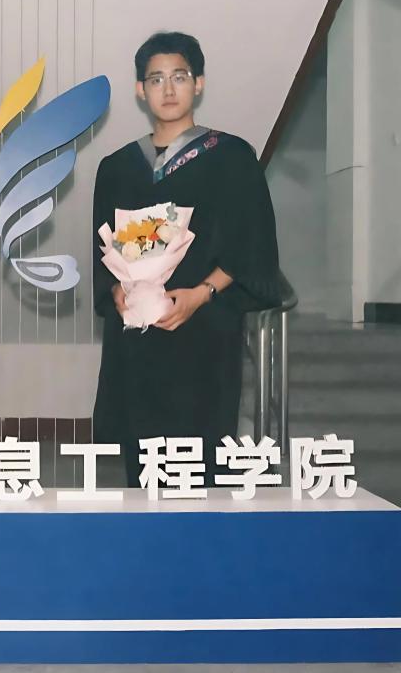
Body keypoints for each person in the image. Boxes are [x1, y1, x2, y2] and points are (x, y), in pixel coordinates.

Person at [91, 31, 281, 487]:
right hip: (139, 339)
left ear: (199, 83)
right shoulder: (117, 167)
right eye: (156, 79)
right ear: (140, 90)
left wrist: (202, 293)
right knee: (145, 466)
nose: (168, 89)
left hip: (204, 334)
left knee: (201, 462)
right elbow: (102, 251)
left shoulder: (231, 157)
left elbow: (251, 241)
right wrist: (116, 291)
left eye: (179, 76)